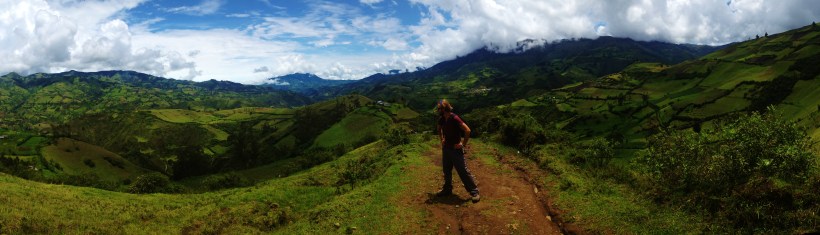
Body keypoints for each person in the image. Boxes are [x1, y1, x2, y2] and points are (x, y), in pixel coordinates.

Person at [435, 99, 480, 202]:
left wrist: (462, 144)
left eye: (439, 109)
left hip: (455, 149)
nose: (438, 110)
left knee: (463, 171)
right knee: (446, 170)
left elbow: (467, 130)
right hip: (446, 148)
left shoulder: (454, 118)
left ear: (444, 109)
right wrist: (442, 139)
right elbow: (438, 129)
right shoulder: (442, 119)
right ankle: (447, 189)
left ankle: (474, 191)